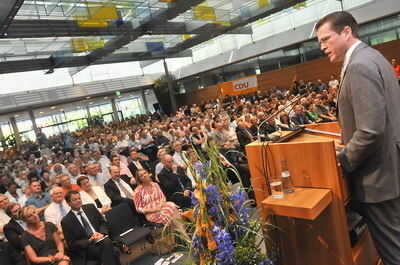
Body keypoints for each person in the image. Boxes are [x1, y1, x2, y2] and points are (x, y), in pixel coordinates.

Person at [316, 11, 400, 265]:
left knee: (394, 253)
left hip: (378, 177)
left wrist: (342, 161)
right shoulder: (372, 56)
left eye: (326, 39)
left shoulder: (360, 65)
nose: (322, 47)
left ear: (346, 32)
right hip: (388, 167)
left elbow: (370, 130)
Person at [61, 191, 121, 265]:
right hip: (87, 247)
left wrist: (101, 233)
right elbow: (72, 244)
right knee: (109, 247)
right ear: (68, 203)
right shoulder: (66, 221)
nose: (78, 201)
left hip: (100, 238)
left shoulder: (90, 207)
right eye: (75, 200)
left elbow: (103, 222)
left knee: (106, 244)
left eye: (79, 198)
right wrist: (89, 240)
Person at [132, 169, 189, 239]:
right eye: (141, 175)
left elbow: (163, 198)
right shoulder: (138, 191)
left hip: (162, 207)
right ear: (139, 179)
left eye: (145, 173)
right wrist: (154, 209)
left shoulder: (155, 185)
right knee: (172, 208)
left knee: (170, 206)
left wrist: (161, 206)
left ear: (148, 174)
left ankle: (183, 236)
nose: (144, 176)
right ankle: (185, 235)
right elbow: (138, 208)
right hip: (151, 213)